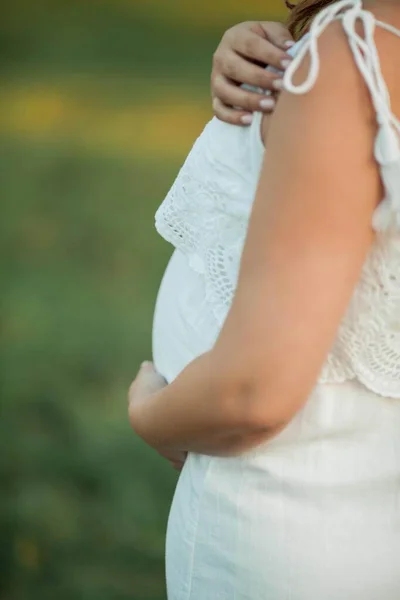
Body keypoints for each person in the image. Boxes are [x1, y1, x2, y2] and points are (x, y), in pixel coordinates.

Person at [129, 0, 400, 597]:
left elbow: (251, 393)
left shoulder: (356, 57)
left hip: (289, 516)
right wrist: (291, 64)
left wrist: (149, 415)